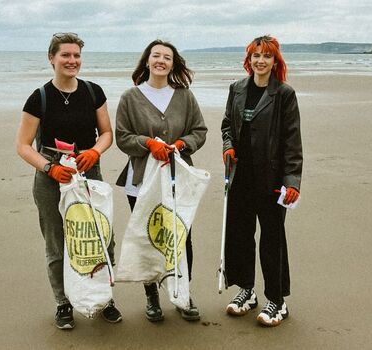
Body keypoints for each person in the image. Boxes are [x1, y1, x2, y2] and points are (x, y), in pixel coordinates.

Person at [16, 32, 122, 329]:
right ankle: (63, 303)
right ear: (52, 58)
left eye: (76, 55)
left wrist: (95, 152)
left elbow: (107, 133)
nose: (72, 61)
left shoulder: (93, 91)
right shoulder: (39, 97)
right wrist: (49, 168)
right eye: (65, 55)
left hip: (89, 172)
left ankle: (105, 297)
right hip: (51, 178)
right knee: (57, 242)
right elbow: (23, 145)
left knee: (100, 237)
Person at [115, 39, 207, 322]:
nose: (161, 61)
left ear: (172, 64)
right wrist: (147, 143)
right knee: (148, 237)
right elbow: (122, 136)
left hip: (178, 178)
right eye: (156, 56)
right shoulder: (130, 97)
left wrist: (180, 144)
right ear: (147, 61)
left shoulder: (184, 96)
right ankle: (152, 297)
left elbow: (199, 130)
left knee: (181, 237)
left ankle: (182, 291)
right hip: (141, 180)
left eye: (167, 57)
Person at [221, 35, 303, 327]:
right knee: (241, 235)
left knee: (272, 240)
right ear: (249, 59)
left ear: (275, 61)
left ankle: (277, 301)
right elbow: (227, 125)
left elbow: (293, 142)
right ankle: (247, 291)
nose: (260, 61)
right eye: (256, 55)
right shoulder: (237, 89)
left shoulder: (284, 94)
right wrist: (228, 146)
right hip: (240, 176)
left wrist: (292, 181)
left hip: (271, 179)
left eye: (266, 56)